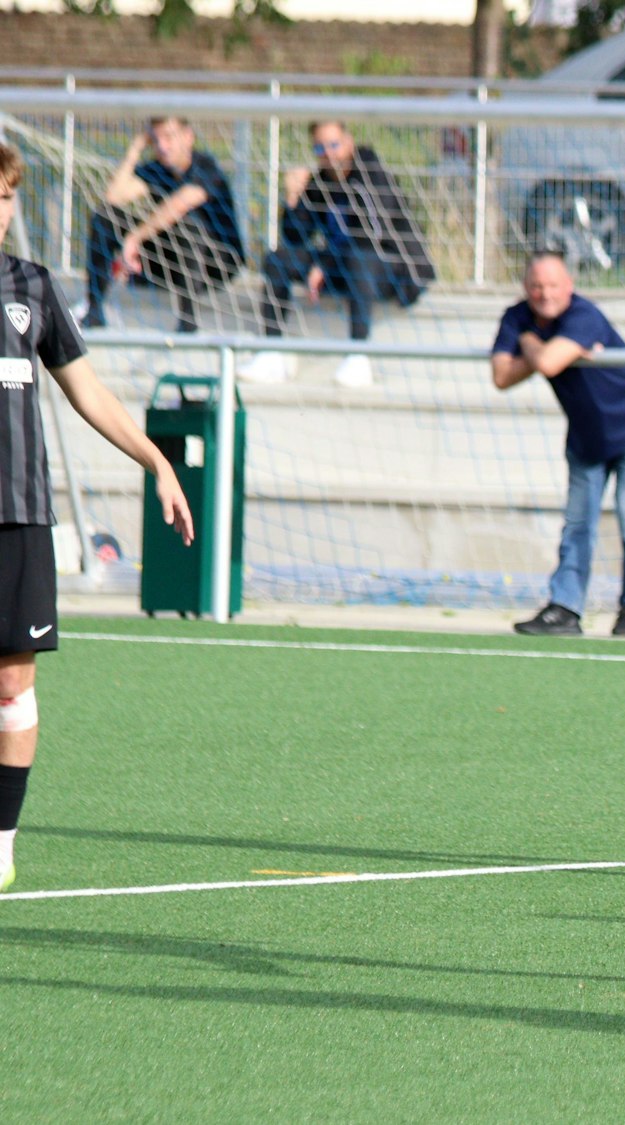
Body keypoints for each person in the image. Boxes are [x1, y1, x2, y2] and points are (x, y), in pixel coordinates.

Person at [0, 143, 195, 892]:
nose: (3, 211)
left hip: (18, 519)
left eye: (10, 198)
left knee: (12, 685)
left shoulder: (32, 288)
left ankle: (3, 840)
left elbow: (90, 394)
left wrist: (155, 459)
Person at [492, 252, 625, 639]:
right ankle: (565, 608)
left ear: (569, 286)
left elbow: (549, 363)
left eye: (552, 285)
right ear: (526, 287)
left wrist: (530, 343)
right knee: (577, 523)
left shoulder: (584, 316)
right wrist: (546, 351)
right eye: (536, 285)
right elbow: (502, 376)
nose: (544, 293)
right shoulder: (515, 315)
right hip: (587, 433)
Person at [242, 121, 434, 389]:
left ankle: (358, 355)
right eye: (320, 148)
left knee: (359, 258)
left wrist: (323, 263)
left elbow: (372, 233)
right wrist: (293, 197)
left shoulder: (369, 171)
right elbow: (296, 237)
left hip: (395, 268)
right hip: (341, 265)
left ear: (349, 142)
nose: (329, 154)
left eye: (334, 145)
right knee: (278, 259)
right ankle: (272, 350)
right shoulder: (320, 181)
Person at [80, 116, 245, 334]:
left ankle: (188, 324)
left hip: (215, 265)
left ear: (188, 138)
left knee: (187, 226)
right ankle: (94, 310)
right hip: (168, 262)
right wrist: (136, 147)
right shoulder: (157, 169)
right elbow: (113, 196)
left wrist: (135, 238)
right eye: (156, 139)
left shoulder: (206, 167)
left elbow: (180, 204)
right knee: (105, 218)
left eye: (169, 137)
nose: (162, 146)